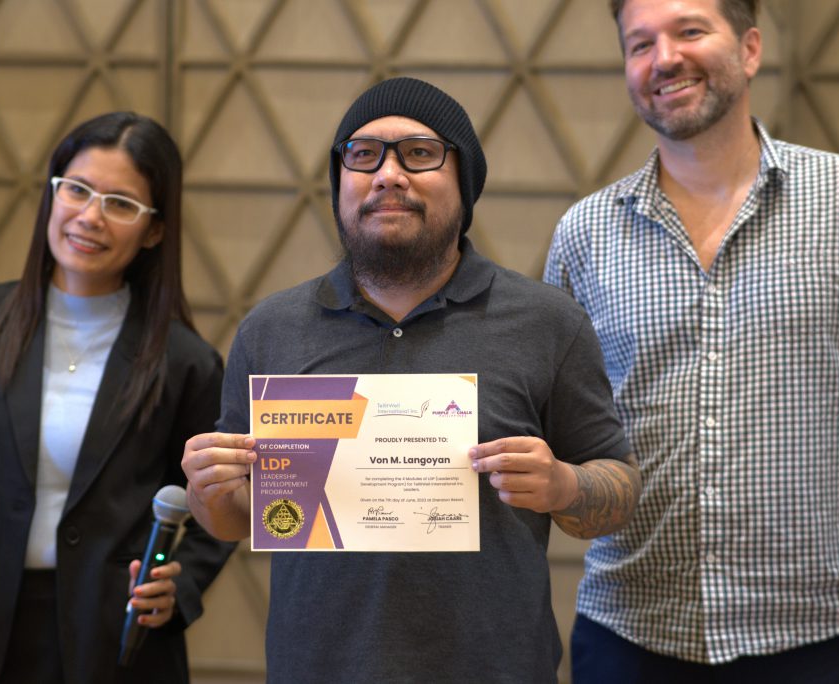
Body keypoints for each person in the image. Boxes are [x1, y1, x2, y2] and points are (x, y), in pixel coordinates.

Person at [181, 76, 641, 683]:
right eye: (363, 155)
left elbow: (618, 491)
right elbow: (240, 518)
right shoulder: (272, 330)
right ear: (340, 182)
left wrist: (562, 485)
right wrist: (208, 491)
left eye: (420, 154)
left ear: (464, 182)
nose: (388, 175)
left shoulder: (547, 322)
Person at [544, 0, 839, 681]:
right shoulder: (584, 236)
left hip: (825, 631)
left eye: (690, 31)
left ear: (751, 48)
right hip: (633, 630)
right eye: (640, 44)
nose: (664, 58)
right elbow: (566, 438)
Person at [0, 112, 236, 683]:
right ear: (52, 194)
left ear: (154, 231)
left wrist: (181, 584)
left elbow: (217, 504)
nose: (90, 216)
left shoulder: (185, 361)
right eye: (77, 190)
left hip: (113, 641)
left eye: (120, 203)